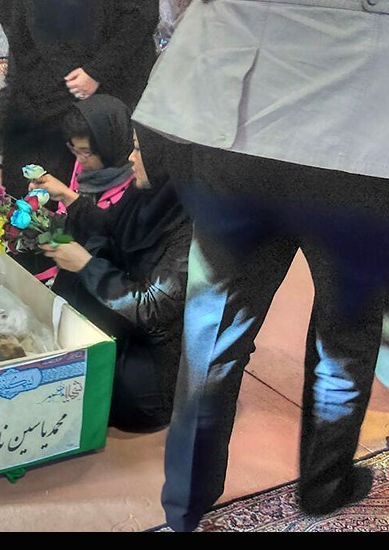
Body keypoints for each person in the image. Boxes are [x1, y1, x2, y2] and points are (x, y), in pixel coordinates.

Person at [131, 0, 389, 531]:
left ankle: (184, 503)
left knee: (213, 334)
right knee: (345, 338)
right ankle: (323, 487)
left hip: (243, 121)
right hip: (364, 133)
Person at [32, 128, 192, 431]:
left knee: (130, 397)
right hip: (130, 321)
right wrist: (69, 198)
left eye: (139, 150)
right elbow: (112, 230)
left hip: (157, 345)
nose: (131, 159)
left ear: (166, 157)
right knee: (72, 283)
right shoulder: (149, 195)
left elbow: (153, 308)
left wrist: (87, 265)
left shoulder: (192, 227)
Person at [0, 0, 160, 201]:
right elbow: (12, 16)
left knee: (97, 180)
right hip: (38, 82)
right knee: (25, 183)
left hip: (105, 84)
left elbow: (141, 16)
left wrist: (96, 71)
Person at [34, 94, 137, 284]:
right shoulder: (83, 167)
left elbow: (113, 236)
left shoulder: (136, 183)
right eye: (74, 150)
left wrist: (68, 196)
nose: (80, 159)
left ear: (108, 145)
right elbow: (65, 220)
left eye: (86, 152)